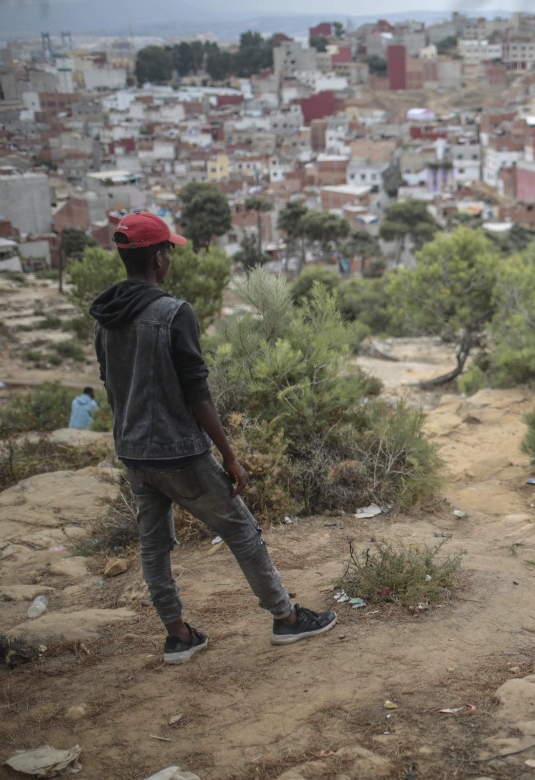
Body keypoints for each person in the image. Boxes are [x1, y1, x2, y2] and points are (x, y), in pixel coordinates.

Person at [91, 211, 336, 665]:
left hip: (133, 451)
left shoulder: (105, 317)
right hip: (180, 452)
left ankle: (178, 635)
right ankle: (285, 619)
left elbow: (111, 386)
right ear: (159, 258)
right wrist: (229, 455)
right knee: (242, 531)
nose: (170, 258)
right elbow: (197, 393)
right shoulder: (173, 313)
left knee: (153, 545)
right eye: (169, 250)